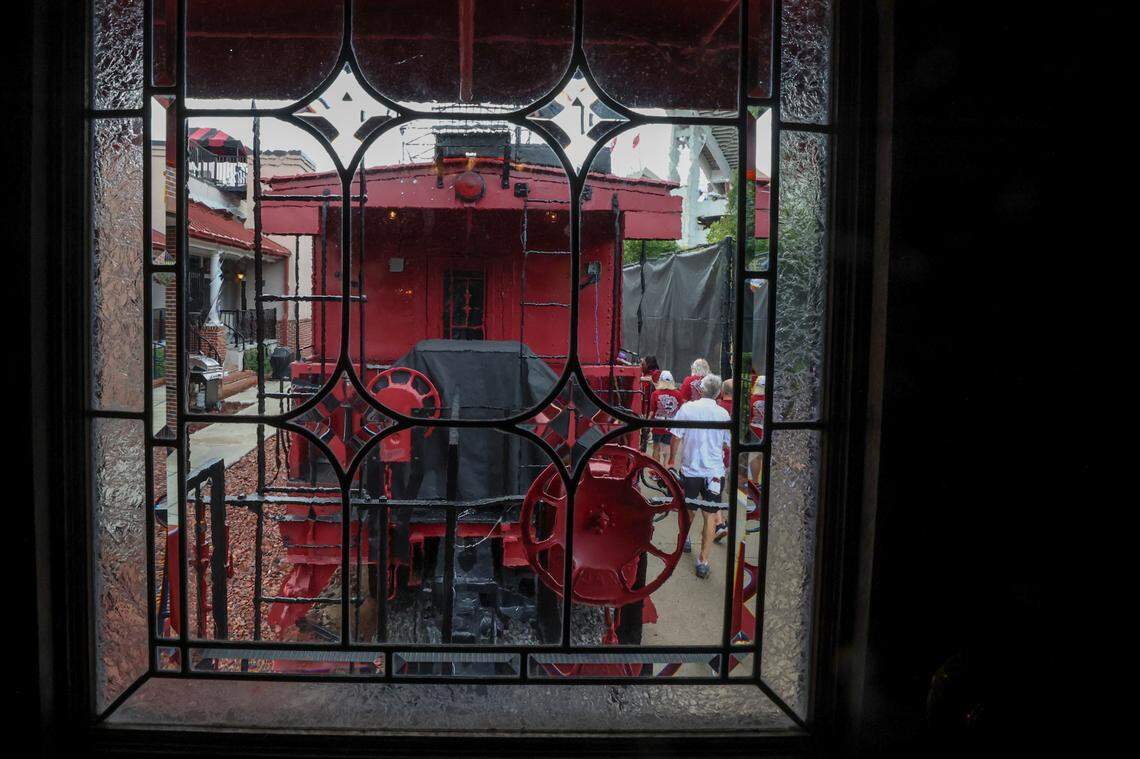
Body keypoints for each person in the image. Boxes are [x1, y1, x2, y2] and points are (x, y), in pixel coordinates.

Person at [669, 373, 730, 578]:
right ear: (719, 392)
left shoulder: (688, 409)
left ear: (701, 389)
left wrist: (671, 459)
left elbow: (675, 437)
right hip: (714, 472)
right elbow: (729, 442)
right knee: (710, 516)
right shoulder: (723, 414)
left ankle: (684, 539)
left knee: (689, 509)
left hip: (691, 470)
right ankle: (703, 561)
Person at [647, 370, 683, 465]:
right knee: (666, 447)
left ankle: (655, 470)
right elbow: (680, 410)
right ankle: (665, 469)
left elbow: (652, 411)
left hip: (657, 424)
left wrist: (647, 424)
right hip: (670, 425)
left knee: (656, 447)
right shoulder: (678, 394)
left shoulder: (655, 393)